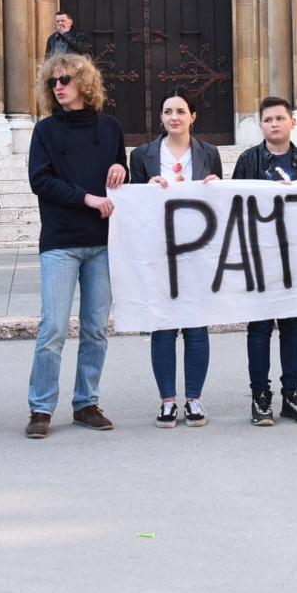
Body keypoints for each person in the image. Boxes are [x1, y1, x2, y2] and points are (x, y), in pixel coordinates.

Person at [24, 54, 128, 438]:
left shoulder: (111, 128)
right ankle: (41, 407)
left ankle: (86, 402)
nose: (58, 87)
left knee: (96, 329)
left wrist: (122, 169)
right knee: (52, 327)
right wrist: (87, 199)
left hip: (102, 243)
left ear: (85, 82)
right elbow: (41, 181)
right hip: (61, 242)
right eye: (52, 82)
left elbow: (120, 174)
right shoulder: (46, 131)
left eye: (65, 79)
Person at [130, 87, 223, 428]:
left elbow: (219, 204)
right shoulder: (142, 155)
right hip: (159, 251)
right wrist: (146, 188)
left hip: (197, 251)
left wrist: (215, 186)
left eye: (181, 111)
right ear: (161, 117)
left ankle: (194, 399)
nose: (174, 117)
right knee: (164, 327)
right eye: (168, 111)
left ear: (192, 117)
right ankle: (168, 400)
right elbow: (135, 206)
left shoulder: (209, 153)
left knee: (197, 326)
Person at [232, 97, 297, 425]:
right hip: (259, 257)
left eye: (280, 118)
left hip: (294, 257)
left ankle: (292, 395)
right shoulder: (248, 160)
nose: (274, 124)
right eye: (268, 119)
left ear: (292, 123)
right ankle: (260, 396)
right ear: (261, 125)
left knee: (291, 328)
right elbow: (236, 205)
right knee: (258, 328)